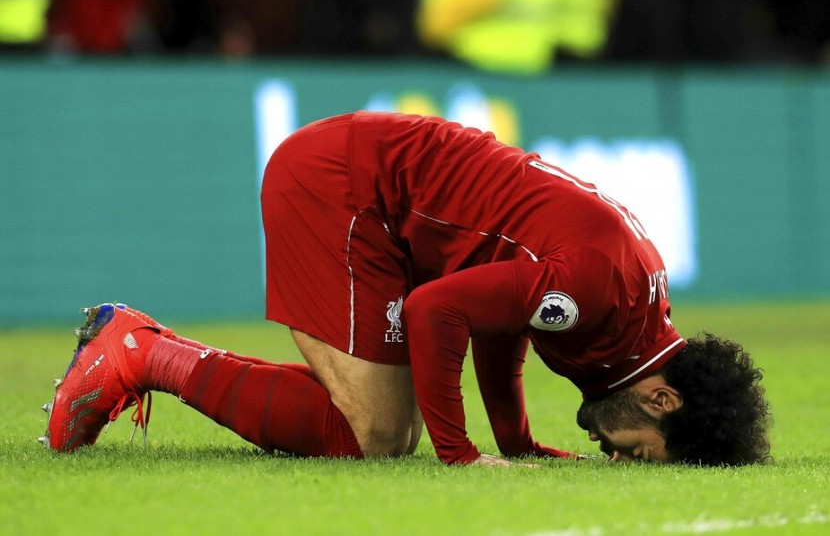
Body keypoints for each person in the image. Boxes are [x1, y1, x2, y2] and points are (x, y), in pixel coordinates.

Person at [41, 111, 770, 466]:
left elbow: (504, 317)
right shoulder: (603, 299)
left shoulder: (635, 309)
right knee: (384, 436)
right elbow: (437, 310)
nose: (615, 457)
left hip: (379, 203)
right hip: (347, 191)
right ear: (660, 398)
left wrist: (514, 442)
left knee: (378, 428)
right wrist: (461, 455)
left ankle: (144, 349)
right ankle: (139, 351)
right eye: (637, 452)